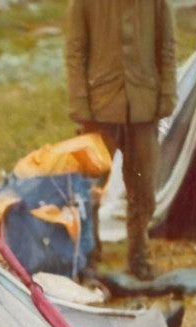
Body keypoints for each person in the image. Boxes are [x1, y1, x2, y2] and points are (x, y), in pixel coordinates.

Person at [65, 0, 176, 281]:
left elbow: (166, 47)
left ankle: (139, 257)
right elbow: (76, 50)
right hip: (100, 108)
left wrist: (166, 95)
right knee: (90, 188)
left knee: (144, 191)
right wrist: (80, 103)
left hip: (143, 108)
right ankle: (88, 257)